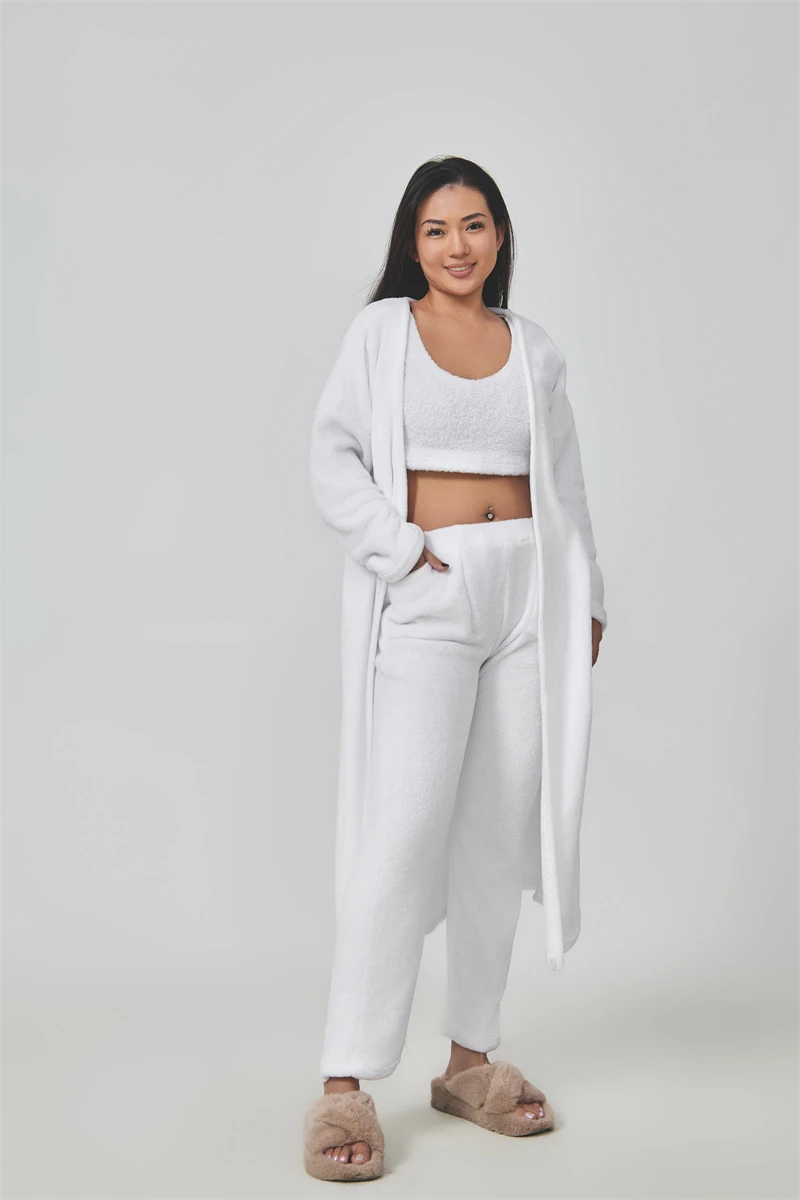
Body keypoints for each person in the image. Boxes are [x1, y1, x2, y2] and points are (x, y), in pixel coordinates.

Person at [303, 155, 607, 1183]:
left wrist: (587, 600)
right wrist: (397, 551)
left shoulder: (534, 348)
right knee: (401, 828)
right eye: (436, 230)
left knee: (494, 831)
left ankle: (469, 1059)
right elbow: (332, 456)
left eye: (474, 225)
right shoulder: (381, 333)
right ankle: (344, 1079)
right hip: (431, 590)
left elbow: (564, 482)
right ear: (412, 243)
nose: (457, 246)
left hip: (527, 598)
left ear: (500, 235)